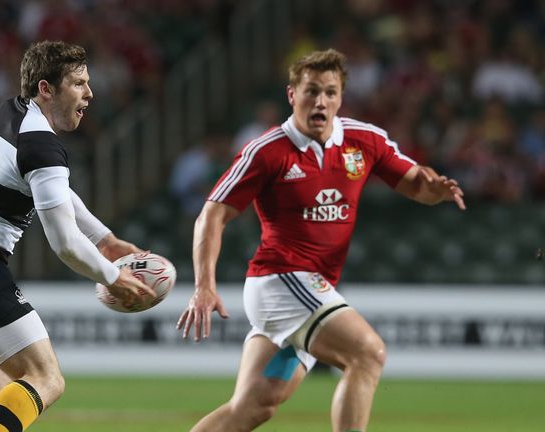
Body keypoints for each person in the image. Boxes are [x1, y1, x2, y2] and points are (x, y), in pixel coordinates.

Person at [176, 49, 465, 432]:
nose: (320, 101)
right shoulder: (267, 151)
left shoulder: (364, 140)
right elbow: (212, 214)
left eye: (330, 92)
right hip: (281, 281)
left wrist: (436, 189)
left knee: (252, 407)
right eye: (311, 91)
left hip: (309, 290)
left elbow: (417, 184)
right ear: (292, 94)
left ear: (341, 97)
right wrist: (203, 286)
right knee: (367, 353)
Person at [0, 40, 154, 432]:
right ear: (46, 88)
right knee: (46, 380)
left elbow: (56, 192)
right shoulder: (39, 144)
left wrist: (105, 239)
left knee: (1, 405)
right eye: (77, 84)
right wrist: (112, 277)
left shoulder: (12, 115)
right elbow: (64, 245)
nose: (89, 94)